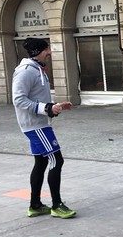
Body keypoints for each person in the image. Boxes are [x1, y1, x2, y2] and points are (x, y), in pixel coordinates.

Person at [12, 37, 77, 218]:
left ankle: (35, 205)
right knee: (57, 160)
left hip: (38, 123)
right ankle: (57, 205)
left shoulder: (37, 70)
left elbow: (36, 99)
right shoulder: (26, 71)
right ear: (38, 51)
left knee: (40, 163)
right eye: (46, 49)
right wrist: (46, 108)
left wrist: (54, 107)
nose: (49, 52)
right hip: (35, 126)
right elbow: (18, 99)